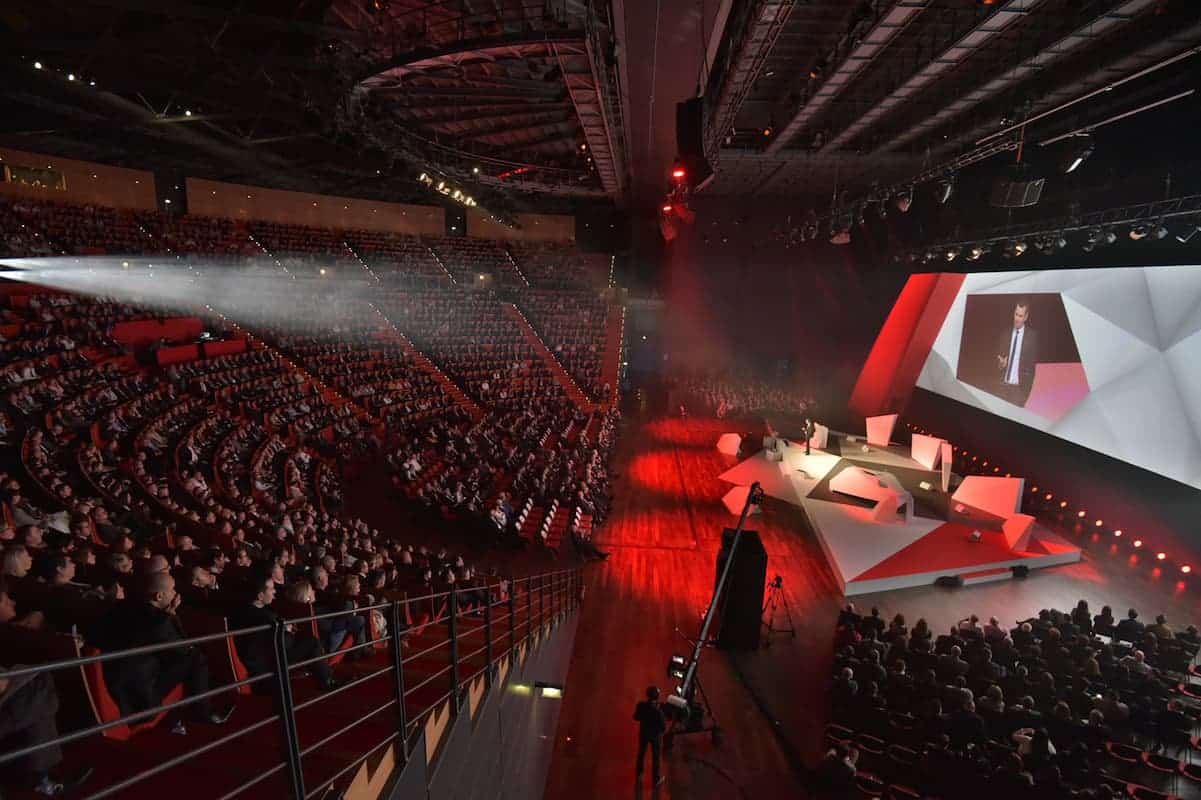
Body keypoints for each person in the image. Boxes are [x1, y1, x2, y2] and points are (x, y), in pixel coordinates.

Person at [86, 571, 234, 734]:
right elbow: (184, 648)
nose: (176, 594)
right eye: (172, 590)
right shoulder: (160, 622)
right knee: (196, 658)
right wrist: (172, 615)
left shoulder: (121, 607)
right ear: (158, 596)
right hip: (141, 698)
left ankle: (178, 719)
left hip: (117, 683)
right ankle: (203, 713)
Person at [230, 571, 337, 692]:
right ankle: (327, 681)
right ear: (260, 596)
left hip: (259, 660)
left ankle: (324, 677)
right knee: (312, 642)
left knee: (308, 643)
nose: (275, 592)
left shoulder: (242, 611)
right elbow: (284, 643)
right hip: (268, 666)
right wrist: (288, 630)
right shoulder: (265, 617)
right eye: (271, 589)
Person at [996, 299, 1039, 406]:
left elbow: (1032, 369)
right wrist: (1001, 365)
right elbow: (997, 363)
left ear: (1026, 317)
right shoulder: (1005, 334)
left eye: (1020, 316)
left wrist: (1025, 394)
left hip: (1018, 392)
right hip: (1002, 388)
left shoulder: (1032, 337)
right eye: (1016, 314)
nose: (1016, 319)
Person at [633, 685, 667, 787]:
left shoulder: (641, 705)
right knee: (655, 757)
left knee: (641, 753)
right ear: (657, 697)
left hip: (643, 733)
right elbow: (663, 727)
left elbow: (636, 717)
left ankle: (639, 774)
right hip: (655, 736)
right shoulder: (658, 711)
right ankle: (656, 780)